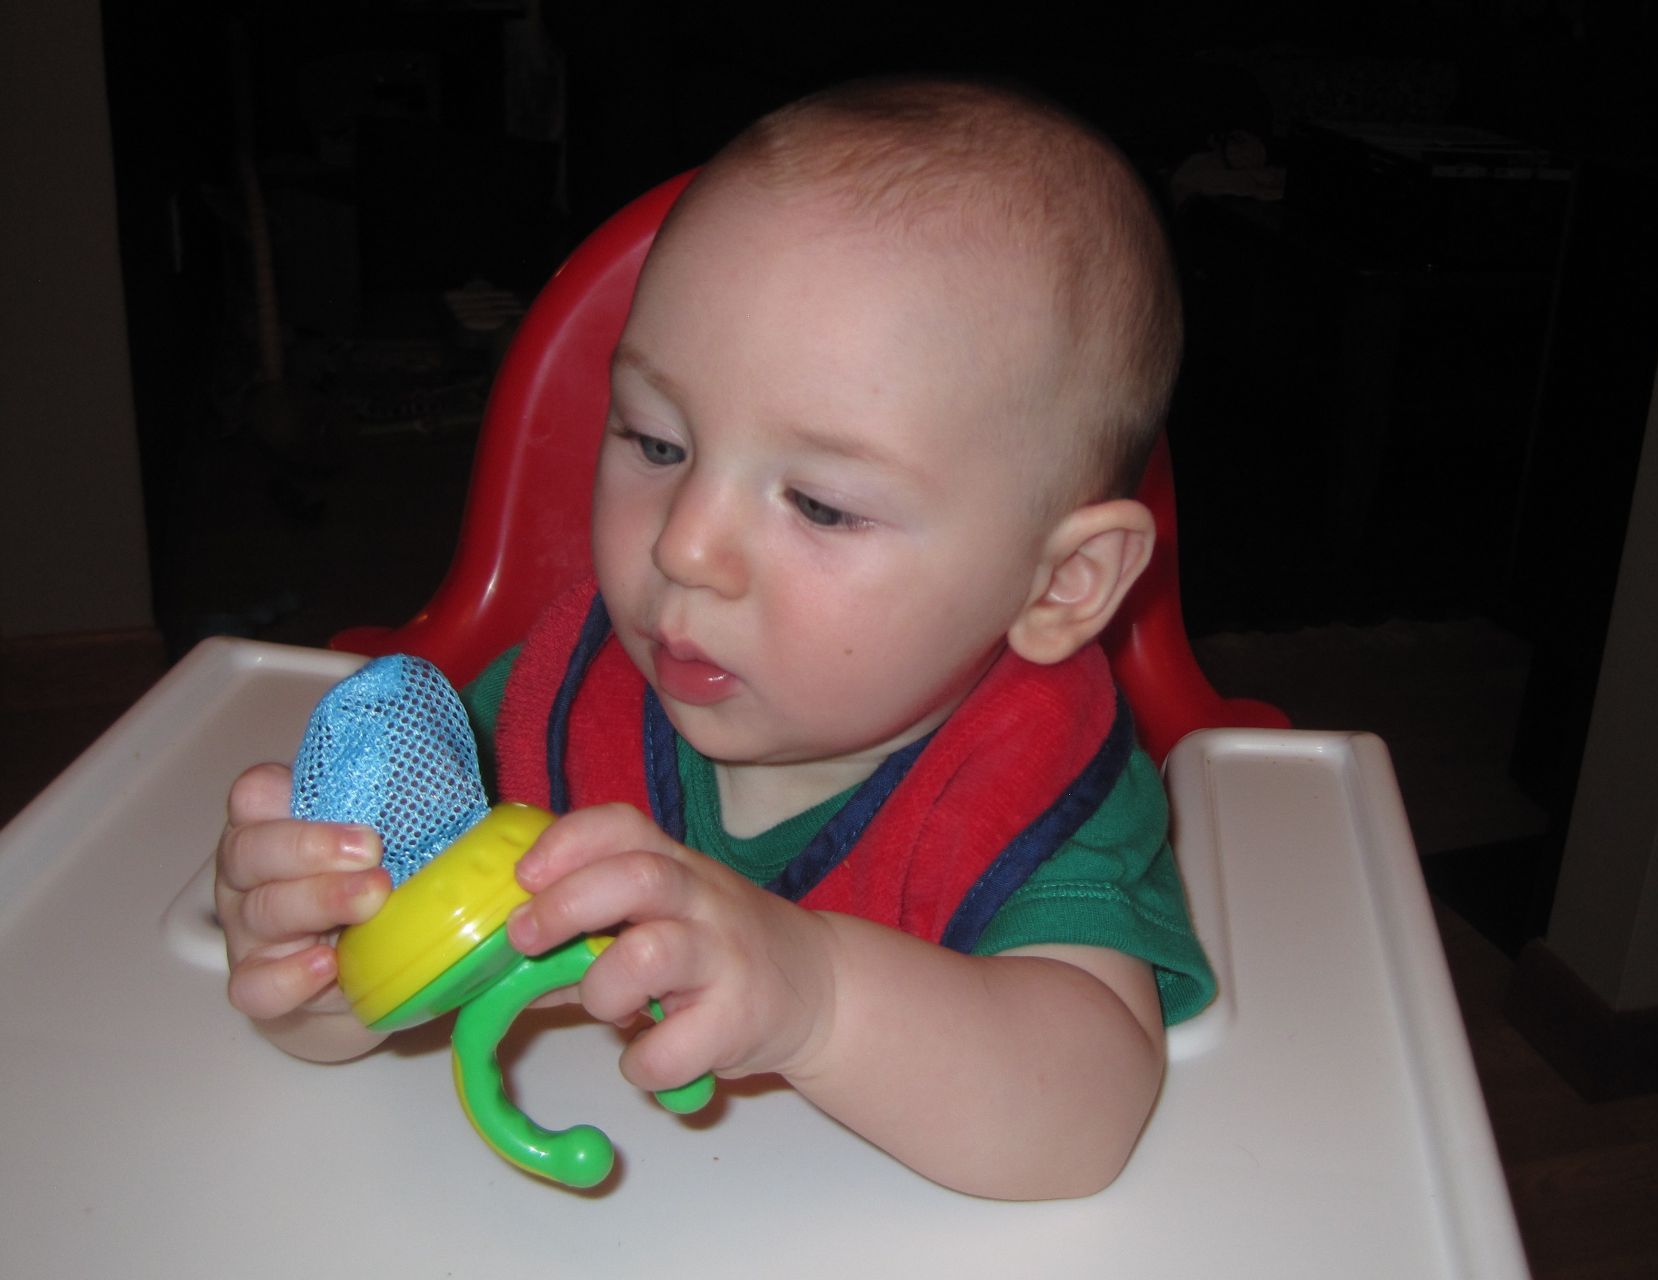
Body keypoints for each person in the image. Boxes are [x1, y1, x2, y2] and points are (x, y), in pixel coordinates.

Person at [214, 75, 1214, 1201]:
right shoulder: (557, 701)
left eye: (821, 505)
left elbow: (1083, 1119)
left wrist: (817, 995)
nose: (684, 545)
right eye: (656, 442)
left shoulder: (1037, 782)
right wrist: (324, 974)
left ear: (1062, 582)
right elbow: (388, 989)